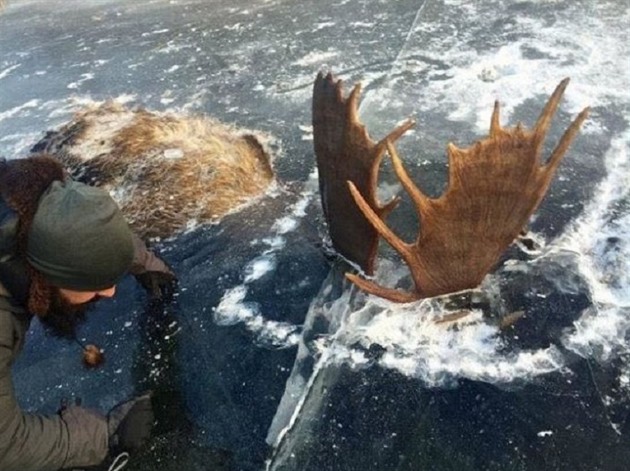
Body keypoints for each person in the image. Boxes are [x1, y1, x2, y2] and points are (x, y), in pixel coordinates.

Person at [0, 154, 177, 471]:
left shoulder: (34, 199)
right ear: (47, 278)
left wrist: (144, 262)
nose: (110, 292)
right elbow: (6, 446)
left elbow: (84, 229)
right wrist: (103, 436)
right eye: (94, 283)